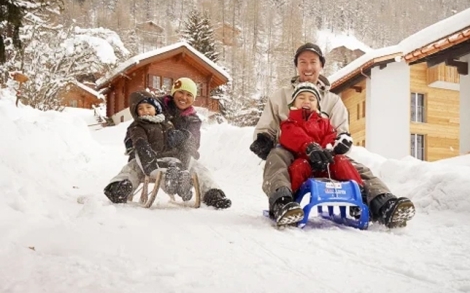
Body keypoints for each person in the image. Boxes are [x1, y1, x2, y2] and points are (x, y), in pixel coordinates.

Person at [250, 43, 415, 227]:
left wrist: (341, 143)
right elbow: (269, 128)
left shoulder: (333, 101)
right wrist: (263, 139)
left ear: (321, 66)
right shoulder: (280, 97)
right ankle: (282, 202)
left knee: (354, 166)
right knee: (277, 156)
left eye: (313, 62)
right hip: (292, 154)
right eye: (303, 62)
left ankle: (383, 203)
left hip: (325, 155)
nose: (308, 67)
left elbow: (339, 132)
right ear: (296, 65)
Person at [104, 78, 231, 209]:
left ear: (193, 99)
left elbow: (194, 144)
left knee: (198, 168)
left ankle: (212, 193)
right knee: (134, 166)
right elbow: (137, 126)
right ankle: (120, 187)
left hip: (176, 155)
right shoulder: (154, 106)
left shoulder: (193, 120)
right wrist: (135, 148)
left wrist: (184, 138)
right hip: (150, 152)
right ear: (173, 92)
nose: (184, 97)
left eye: (189, 95)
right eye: (180, 92)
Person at [276, 82, 364, 223]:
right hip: (305, 162)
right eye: (301, 98)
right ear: (293, 102)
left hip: (326, 165)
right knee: (298, 166)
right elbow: (292, 136)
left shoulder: (324, 122)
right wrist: (309, 146)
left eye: (311, 99)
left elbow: (331, 136)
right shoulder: (290, 123)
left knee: (342, 161)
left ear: (317, 105)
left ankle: (359, 195)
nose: (306, 101)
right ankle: (290, 202)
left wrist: (337, 145)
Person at [103, 91, 194, 203]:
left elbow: (176, 141)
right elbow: (141, 143)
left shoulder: (167, 124)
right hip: (148, 159)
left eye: (148, 107)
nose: (145, 111)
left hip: (168, 158)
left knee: (174, 167)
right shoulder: (138, 126)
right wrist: (150, 166)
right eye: (140, 109)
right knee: (134, 169)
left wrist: (184, 136)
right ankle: (119, 188)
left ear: (156, 108)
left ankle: (182, 183)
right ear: (136, 112)